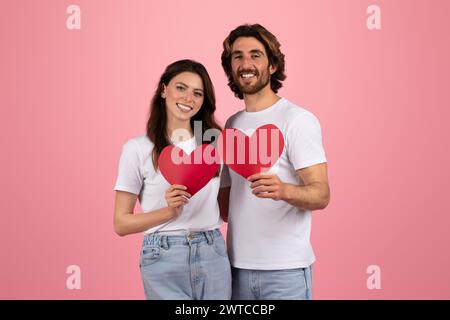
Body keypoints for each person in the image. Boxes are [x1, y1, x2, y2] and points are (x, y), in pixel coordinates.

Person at [218, 24, 330, 300]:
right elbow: (226, 208)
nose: (246, 63)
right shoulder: (231, 125)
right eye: (238, 56)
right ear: (230, 66)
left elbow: (321, 194)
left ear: (271, 66)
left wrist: (284, 190)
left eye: (256, 55)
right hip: (235, 269)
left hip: (286, 273)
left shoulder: (298, 119)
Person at [113, 59, 231, 300]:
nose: (189, 98)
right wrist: (168, 212)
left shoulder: (216, 143)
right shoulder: (137, 148)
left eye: (197, 93)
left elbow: (227, 207)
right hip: (162, 255)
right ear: (164, 89)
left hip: (212, 250)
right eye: (181, 88)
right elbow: (121, 224)